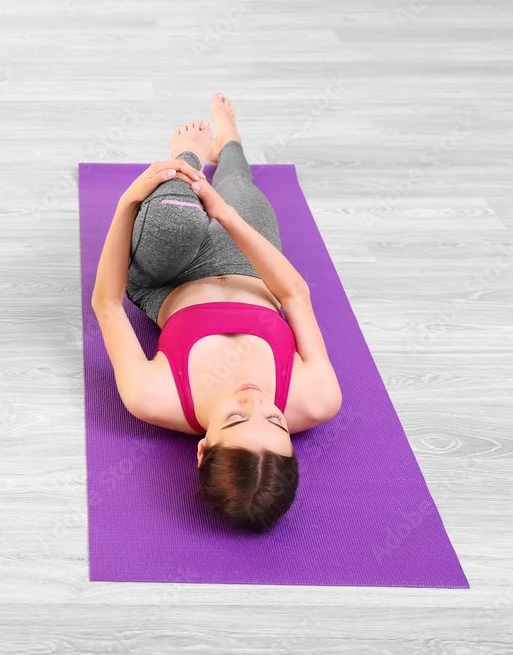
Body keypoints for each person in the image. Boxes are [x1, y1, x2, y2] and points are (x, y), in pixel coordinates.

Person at [91, 93, 342, 531]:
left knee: (178, 220)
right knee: (242, 191)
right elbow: (295, 295)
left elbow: (107, 304)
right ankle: (228, 141)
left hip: (170, 277)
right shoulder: (318, 397)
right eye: (276, 421)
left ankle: (184, 159)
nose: (255, 399)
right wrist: (226, 214)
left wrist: (127, 203)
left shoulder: (153, 396)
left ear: (203, 448)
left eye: (236, 418)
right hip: (252, 265)